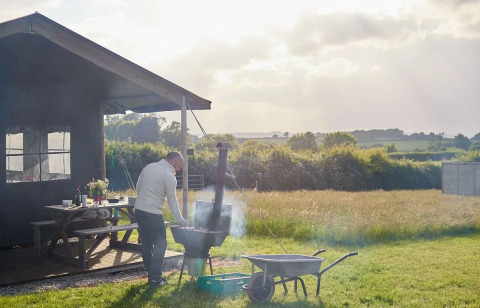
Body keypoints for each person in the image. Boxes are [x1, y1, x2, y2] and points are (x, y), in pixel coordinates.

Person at [134, 151, 188, 287]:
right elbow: (172, 201)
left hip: (139, 210)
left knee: (146, 243)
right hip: (153, 213)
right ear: (174, 162)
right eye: (179, 166)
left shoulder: (149, 167)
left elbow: (138, 187)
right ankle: (156, 279)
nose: (179, 169)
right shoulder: (169, 177)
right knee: (160, 244)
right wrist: (181, 220)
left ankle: (151, 274)